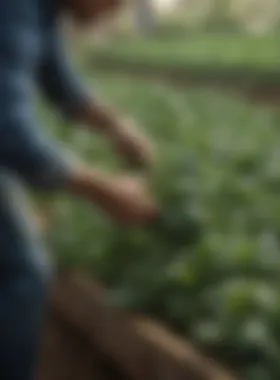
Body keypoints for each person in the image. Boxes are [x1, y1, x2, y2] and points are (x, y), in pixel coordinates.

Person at [0, 0, 156, 378]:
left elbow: (59, 80)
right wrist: (102, 190)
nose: (115, 13)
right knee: (24, 272)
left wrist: (115, 124)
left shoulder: (41, 11)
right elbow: (7, 130)